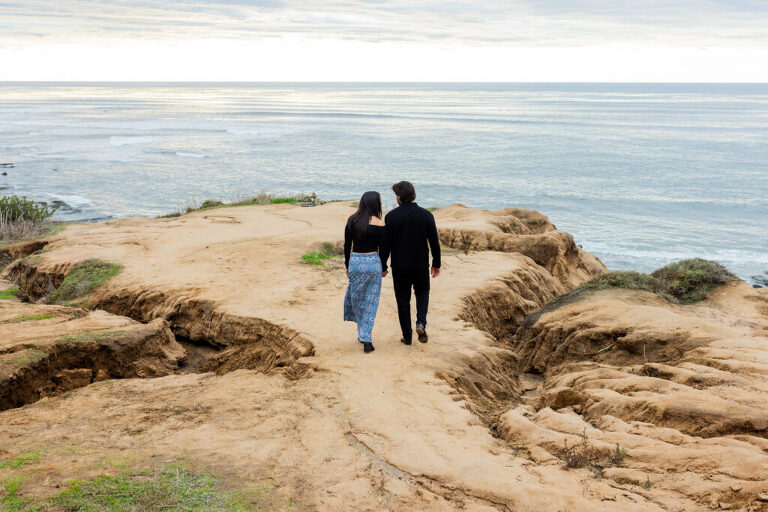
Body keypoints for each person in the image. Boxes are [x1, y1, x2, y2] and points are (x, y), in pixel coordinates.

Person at [380, 181, 440, 345]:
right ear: (413, 195)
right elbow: (434, 242)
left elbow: (385, 245)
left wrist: (383, 266)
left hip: (400, 267)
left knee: (402, 300)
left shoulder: (391, 217)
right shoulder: (426, 215)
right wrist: (436, 264)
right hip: (420, 265)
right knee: (422, 293)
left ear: (399, 197)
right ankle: (421, 322)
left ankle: (407, 337)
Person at [343, 191, 387, 353]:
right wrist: (383, 267)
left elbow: (347, 246)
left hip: (356, 262)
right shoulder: (380, 224)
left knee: (357, 299)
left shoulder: (352, 220)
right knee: (370, 302)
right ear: (376, 204)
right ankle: (366, 338)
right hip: (373, 263)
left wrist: (347, 265)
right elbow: (383, 250)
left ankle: (362, 333)